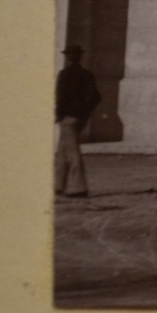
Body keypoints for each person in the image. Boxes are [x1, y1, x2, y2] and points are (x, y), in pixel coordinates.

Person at [55, 43, 100, 198]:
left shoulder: (64, 74)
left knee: (71, 153)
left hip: (67, 117)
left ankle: (77, 187)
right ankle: (57, 184)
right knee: (62, 150)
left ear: (67, 57)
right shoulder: (87, 75)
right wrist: (84, 112)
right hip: (80, 118)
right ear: (79, 57)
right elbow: (96, 97)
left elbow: (61, 98)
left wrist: (58, 115)